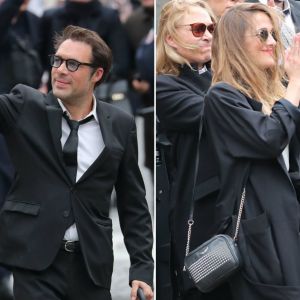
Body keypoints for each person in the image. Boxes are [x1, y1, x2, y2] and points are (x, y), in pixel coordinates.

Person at [0, 25, 153, 300]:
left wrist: (142, 267)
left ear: (97, 74)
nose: (60, 70)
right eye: (57, 60)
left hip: (91, 267)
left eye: (72, 64)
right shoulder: (25, 105)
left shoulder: (120, 124)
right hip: (34, 263)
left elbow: (134, 203)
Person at [204, 3, 300, 299]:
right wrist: (295, 82)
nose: (272, 42)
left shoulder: (274, 91)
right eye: (262, 34)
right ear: (236, 42)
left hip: (288, 218)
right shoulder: (222, 95)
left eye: (273, 34)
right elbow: (269, 138)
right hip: (262, 230)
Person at [156, 0, 231, 299]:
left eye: (212, 28)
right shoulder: (165, 85)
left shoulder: (223, 74)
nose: (208, 35)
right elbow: (224, 116)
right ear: (171, 38)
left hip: (236, 204)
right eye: (198, 28)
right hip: (200, 212)